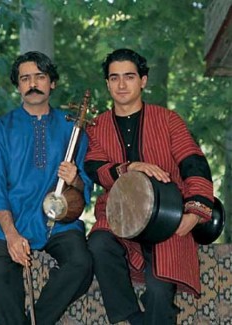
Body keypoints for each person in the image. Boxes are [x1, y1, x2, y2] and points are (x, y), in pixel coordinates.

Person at [85, 48, 214, 324]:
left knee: (158, 290)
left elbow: (195, 164)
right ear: (107, 83)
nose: (121, 85)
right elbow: (94, 169)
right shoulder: (96, 127)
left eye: (129, 77)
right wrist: (129, 167)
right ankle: (132, 317)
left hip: (167, 219)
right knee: (98, 243)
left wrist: (194, 212)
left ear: (143, 80)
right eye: (114, 78)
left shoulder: (169, 120)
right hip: (118, 218)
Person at [0, 51, 93, 325]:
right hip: (10, 219)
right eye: (25, 78)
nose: (32, 84)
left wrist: (75, 178)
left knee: (82, 264)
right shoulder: (1, 128)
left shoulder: (74, 130)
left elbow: (83, 192)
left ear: (51, 83)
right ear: (18, 85)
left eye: (40, 77)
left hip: (57, 221)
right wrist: (10, 234)